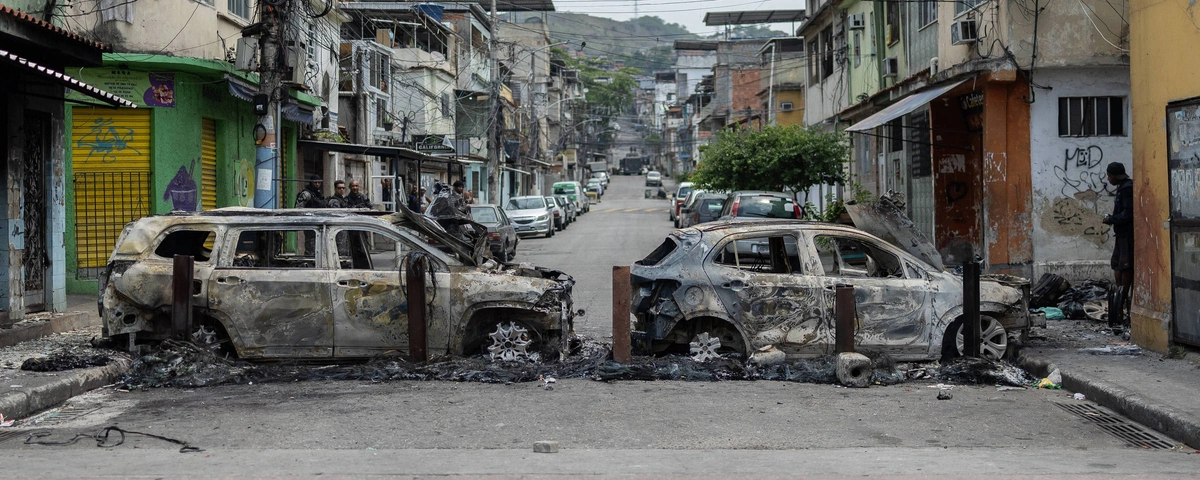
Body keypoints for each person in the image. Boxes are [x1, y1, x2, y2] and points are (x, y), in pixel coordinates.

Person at [1102, 161, 1134, 333]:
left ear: (1114, 176)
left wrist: (1112, 219)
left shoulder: (1127, 189)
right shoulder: (1123, 188)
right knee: (1117, 265)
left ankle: (1122, 299)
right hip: (1122, 235)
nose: (1108, 179)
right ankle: (1120, 299)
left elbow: (1128, 213)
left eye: (1109, 176)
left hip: (1127, 235)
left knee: (1125, 266)